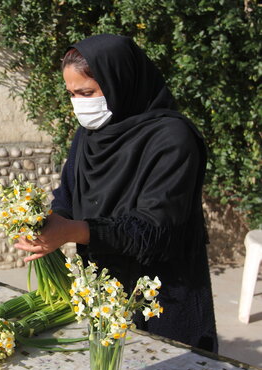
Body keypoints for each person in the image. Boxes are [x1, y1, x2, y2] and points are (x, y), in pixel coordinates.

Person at [14, 34, 218, 352]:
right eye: (72, 94)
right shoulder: (90, 134)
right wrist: (46, 223)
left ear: (121, 82)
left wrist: (73, 230)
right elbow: (69, 195)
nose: (79, 104)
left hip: (162, 296)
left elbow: (154, 231)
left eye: (87, 92)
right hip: (103, 289)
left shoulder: (173, 141)